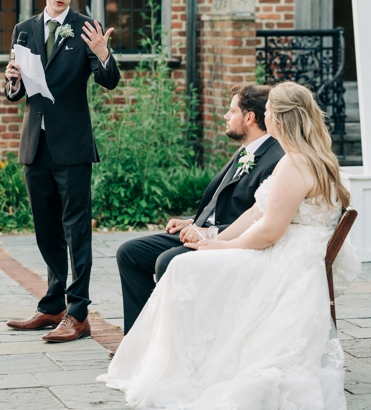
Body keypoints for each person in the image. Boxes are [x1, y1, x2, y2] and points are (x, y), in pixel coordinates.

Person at [100, 81, 360, 410]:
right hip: (292, 249)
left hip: (284, 255)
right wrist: (213, 239)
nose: (266, 120)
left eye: (268, 115)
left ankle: (186, 359)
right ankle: (167, 350)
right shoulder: (318, 157)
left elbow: (269, 230)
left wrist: (220, 246)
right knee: (177, 258)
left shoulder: (293, 164)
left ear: (278, 121)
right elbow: (256, 214)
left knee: (181, 266)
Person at [3, 0, 121, 342]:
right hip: (35, 145)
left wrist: (103, 54)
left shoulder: (86, 27)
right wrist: (11, 81)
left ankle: (78, 313)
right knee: (46, 229)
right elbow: (17, 93)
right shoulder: (24, 30)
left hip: (72, 146)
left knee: (76, 231)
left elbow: (109, 81)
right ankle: (53, 304)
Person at [115, 84, 284, 333]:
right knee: (130, 252)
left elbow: (259, 218)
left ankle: (172, 341)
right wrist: (192, 221)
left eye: (231, 111)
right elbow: (223, 200)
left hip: (231, 242)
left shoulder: (275, 159)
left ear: (249, 118)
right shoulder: (246, 150)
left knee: (169, 261)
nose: (226, 116)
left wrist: (208, 233)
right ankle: (140, 338)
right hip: (203, 231)